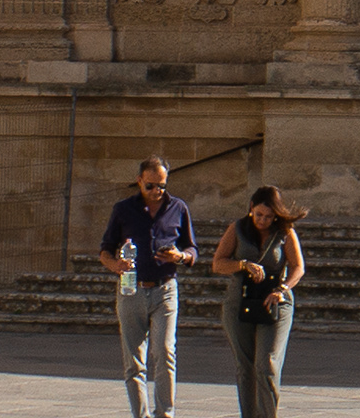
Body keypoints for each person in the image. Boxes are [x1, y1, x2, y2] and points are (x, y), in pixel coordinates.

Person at [95, 155, 200, 418]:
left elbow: (192, 249)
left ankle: (165, 414)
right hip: (132, 289)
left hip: (165, 288)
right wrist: (115, 265)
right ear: (139, 181)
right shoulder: (123, 209)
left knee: (165, 353)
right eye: (150, 185)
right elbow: (105, 250)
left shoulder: (178, 208)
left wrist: (180, 256)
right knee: (134, 361)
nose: (156, 192)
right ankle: (140, 414)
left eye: (162, 186)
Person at [213, 185, 303, 418]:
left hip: (274, 301)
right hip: (239, 300)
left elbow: (298, 267)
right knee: (246, 367)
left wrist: (283, 289)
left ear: (276, 215)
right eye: (259, 214)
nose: (262, 220)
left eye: (268, 216)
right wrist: (242, 264)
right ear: (251, 208)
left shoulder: (285, 232)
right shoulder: (237, 229)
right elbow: (218, 263)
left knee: (266, 365)